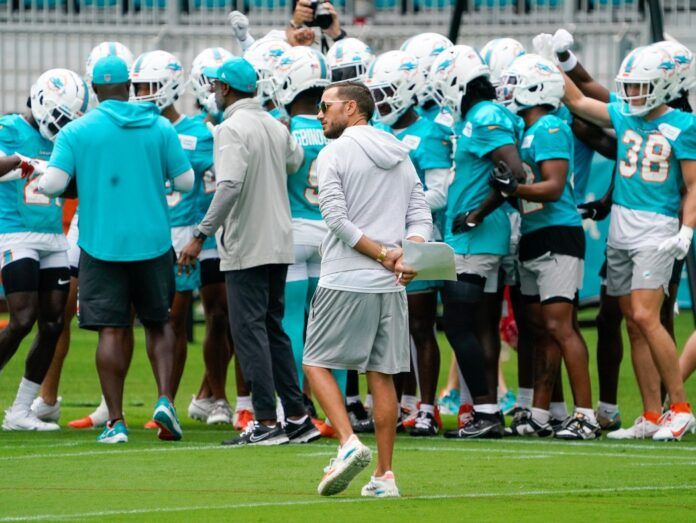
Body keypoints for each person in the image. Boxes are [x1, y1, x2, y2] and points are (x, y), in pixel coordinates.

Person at [38, 55, 194, 444]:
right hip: (155, 242)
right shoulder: (159, 126)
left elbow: (54, 185)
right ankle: (164, 400)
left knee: (112, 328)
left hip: (100, 244)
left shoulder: (77, 131)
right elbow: (187, 181)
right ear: (129, 86)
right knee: (159, 324)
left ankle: (116, 421)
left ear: (93, 89)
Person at [178, 57, 319, 446]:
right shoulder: (274, 125)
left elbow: (228, 187)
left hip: (247, 242)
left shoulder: (229, 129)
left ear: (225, 89)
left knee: (249, 331)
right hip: (279, 239)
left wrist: (200, 234)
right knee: (273, 328)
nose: (212, 94)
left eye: (215, 87)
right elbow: (294, 161)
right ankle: (296, 416)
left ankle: (265, 421)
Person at [303, 80, 431, 497]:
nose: (320, 113)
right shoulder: (398, 152)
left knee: (315, 362)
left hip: (347, 276)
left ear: (353, 109)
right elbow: (420, 212)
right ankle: (384, 476)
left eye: (326, 106)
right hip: (391, 283)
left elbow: (336, 221)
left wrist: (385, 255)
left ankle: (347, 442)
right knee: (383, 375)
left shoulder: (333, 152)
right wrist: (406, 256)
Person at [563, 44, 696, 441]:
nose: (633, 94)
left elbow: (693, 186)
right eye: (631, 86)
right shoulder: (623, 115)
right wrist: (550, 63)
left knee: (644, 316)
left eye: (641, 87)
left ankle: (681, 407)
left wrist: (686, 229)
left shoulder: (684, 125)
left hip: (656, 230)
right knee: (633, 326)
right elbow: (576, 100)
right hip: (620, 229)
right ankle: (652, 414)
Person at [494, 54, 599, 439]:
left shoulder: (551, 127)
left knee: (560, 325)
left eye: (513, 83)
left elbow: (553, 187)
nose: (506, 91)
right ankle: (540, 411)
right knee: (539, 329)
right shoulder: (526, 131)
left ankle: (585, 414)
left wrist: (514, 188)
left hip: (558, 233)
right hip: (535, 233)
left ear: (535, 88)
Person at [429, 45, 524, 439]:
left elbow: (514, 173)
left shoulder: (485, 115)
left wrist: (476, 214)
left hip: (476, 239)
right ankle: (486, 411)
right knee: (480, 324)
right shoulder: (480, 115)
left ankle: (485, 409)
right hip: (476, 237)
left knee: (457, 323)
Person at [366, 49, 452, 436]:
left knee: (420, 325)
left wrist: (400, 206)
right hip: (384, 244)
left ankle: (427, 408)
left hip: (415, 238)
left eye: (386, 92)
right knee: (388, 329)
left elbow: (440, 191)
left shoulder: (430, 132)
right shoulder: (378, 132)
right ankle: (399, 405)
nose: (380, 101)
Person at [0, 68, 88, 431]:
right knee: (22, 318)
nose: (63, 125)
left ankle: (21, 409)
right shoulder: (8, 128)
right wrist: (25, 162)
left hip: (52, 236)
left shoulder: (64, 139)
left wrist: (54, 173)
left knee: (53, 322)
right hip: (15, 233)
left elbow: (71, 189)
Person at [272, 46, 345, 436]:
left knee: (291, 326)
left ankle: (295, 410)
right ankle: (339, 417)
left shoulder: (283, 128)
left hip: (294, 230)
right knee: (333, 330)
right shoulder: (341, 129)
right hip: (334, 235)